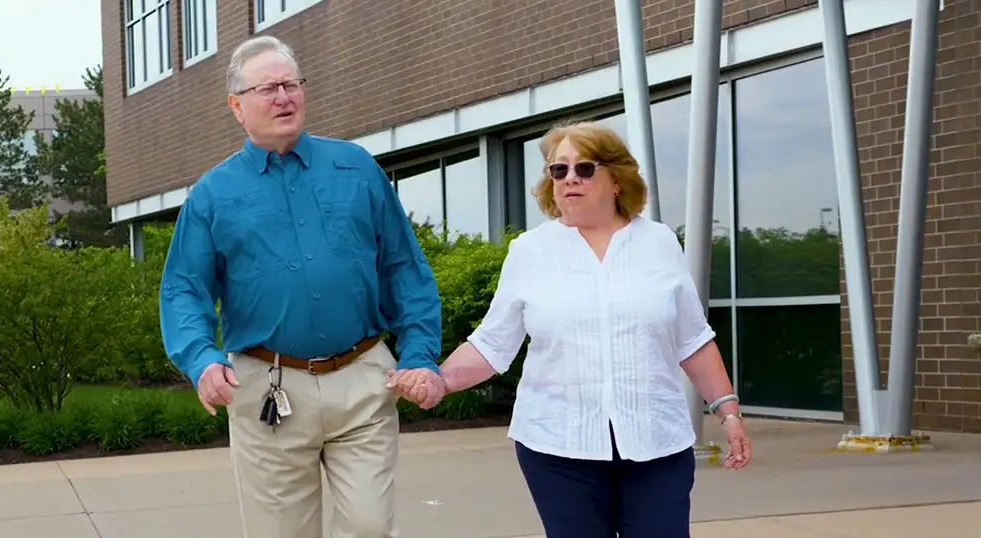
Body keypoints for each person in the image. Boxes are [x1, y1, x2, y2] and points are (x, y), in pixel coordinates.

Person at [389, 122, 752, 538]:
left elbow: (691, 339)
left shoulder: (660, 243)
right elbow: (492, 343)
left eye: (584, 168)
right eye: (558, 170)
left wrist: (728, 411)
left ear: (616, 180)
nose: (569, 179)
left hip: (657, 444)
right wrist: (441, 381)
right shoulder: (530, 250)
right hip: (558, 447)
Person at [159, 35, 445, 538]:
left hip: (362, 380)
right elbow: (184, 289)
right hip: (268, 389)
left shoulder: (355, 168)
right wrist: (201, 358)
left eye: (292, 84)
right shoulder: (211, 195)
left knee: (370, 528)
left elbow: (404, 268)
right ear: (236, 106)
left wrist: (420, 354)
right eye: (268, 88)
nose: (284, 97)